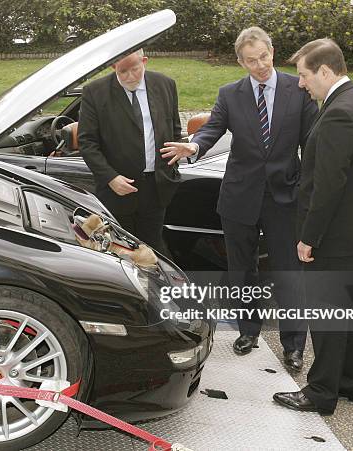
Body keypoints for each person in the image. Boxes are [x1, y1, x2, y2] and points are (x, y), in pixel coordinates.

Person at [161, 27, 318, 370]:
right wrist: (195, 145)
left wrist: (308, 191)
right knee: (242, 270)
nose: (260, 65)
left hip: (284, 197)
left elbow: (312, 144)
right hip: (239, 197)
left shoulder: (299, 89)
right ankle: (248, 331)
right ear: (240, 62)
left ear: (273, 52)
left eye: (263, 57)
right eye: (251, 61)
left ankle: (294, 346)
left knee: (288, 272)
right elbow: (212, 128)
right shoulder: (230, 94)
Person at [273, 39, 353, 415]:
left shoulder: (339, 112)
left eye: (305, 76)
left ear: (325, 71)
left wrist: (309, 237)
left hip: (335, 236)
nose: (301, 84)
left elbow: (328, 185)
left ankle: (321, 392)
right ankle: (352, 384)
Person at [78, 49, 182, 255]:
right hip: (117, 190)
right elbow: (87, 142)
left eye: (135, 69)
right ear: (113, 66)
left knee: (153, 249)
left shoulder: (165, 85)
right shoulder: (95, 92)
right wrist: (110, 177)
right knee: (121, 251)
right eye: (122, 71)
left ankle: (158, 286)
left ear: (144, 61)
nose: (130, 76)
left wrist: (173, 163)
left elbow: (175, 129)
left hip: (157, 187)